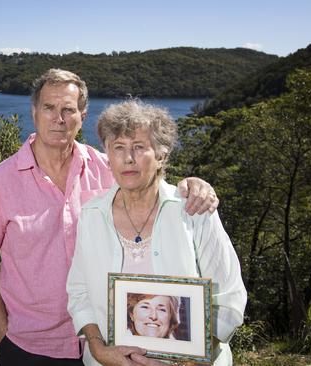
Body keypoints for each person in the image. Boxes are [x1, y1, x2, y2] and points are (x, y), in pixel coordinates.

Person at [0, 69, 219, 365]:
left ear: (82, 116)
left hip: (108, 344)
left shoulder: (107, 169)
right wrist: (3, 334)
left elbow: (152, 188)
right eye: (48, 107)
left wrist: (192, 185)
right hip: (30, 345)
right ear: (34, 112)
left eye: (68, 109)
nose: (58, 118)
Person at [66, 100, 247, 366]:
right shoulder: (92, 215)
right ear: (107, 155)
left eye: (139, 147)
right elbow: (79, 293)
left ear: (161, 155)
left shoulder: (193, 209)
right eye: (118, 148)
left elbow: (229, 296)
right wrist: (98, 349)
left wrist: (193, 359)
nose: (128, 158)